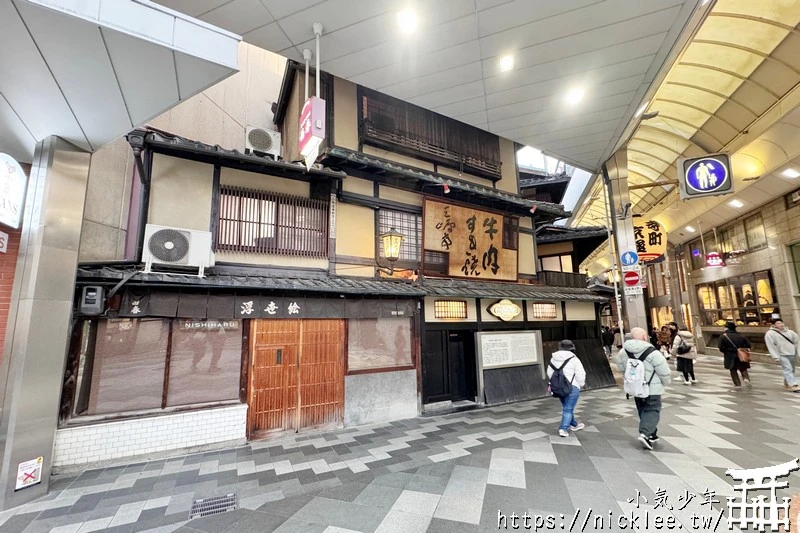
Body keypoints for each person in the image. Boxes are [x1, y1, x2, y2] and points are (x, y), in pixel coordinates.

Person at [616, 327, 671, 450]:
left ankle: (652, 434)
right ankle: (645, 434)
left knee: (643, 409)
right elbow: (664, 371)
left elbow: (620, 368)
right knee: (652, 409)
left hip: (635, 387)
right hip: (652, 388)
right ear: (645, 337)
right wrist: (666, 382)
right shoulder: (653, 352)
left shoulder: (623, 352)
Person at [547, 340, 586, 437]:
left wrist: (556, 382)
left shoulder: (553, 358)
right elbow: (580, 373)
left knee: (567, 407)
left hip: (559, 387)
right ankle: (563, 429)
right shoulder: (574, 359)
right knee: (568, 408)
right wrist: (580, 384)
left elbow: (549, 372)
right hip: (572, 387)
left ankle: (574, 424)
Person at [764, 319, 800, 392]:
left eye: (781, 323)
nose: (781, 324)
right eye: (778, 323)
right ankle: (793, 384)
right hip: (781, 354)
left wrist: (798, 352)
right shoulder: (770, 334)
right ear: (774, 325)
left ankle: (787, 384)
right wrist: (775, 356)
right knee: (788, 369)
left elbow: (797, 342)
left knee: (792, 369)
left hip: (792, 353)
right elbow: (771, 346)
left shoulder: (790, 332)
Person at [718, 321, 751, 387]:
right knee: (743, 368)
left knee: (733, 370)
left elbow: (720, 347)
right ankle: (746, 378)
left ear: (727, 328)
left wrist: (726, 351)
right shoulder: (741, 335)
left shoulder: (724, 336)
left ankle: (737, 384)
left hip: (730, 355)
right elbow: (748, 345)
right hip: (741, 354)